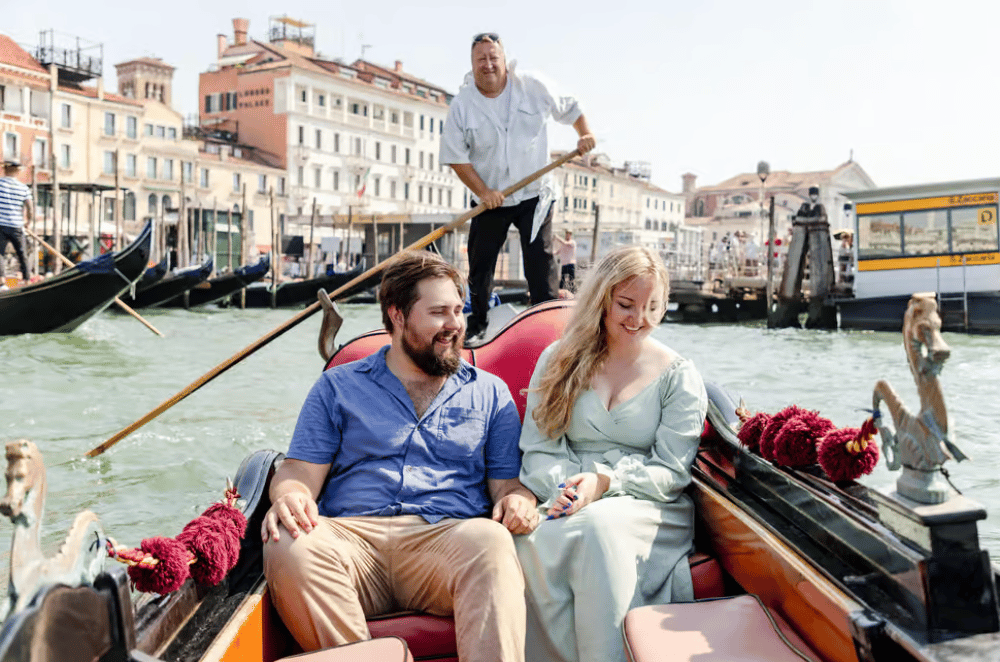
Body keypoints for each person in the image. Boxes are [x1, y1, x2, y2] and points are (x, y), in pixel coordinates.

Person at [261, 250, 538, 661]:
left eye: (459, 311)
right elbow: (299, 471)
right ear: (397, 315)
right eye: (439, 312)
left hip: (445, 541)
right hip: (353, 540)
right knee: (288, 543)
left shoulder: (490, 392)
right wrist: (289, 495)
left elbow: (506, 484)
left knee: (492, 542)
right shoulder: (337, 387)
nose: (455, 325)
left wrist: (519, 499)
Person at [514, 245, 708, 662]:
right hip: (563, 494)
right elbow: (538, 450)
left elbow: (671, 473)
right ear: (602, 299)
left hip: (648, 503)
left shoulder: (680, 375)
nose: (640, 320)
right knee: (526, 542)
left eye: (653, 306)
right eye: (626, 305)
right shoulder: (558, 360)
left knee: (600, 529)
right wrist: (568, 490)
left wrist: (604, 483)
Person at [441, 33, 596, 341]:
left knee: (539, 263)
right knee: (481, 263)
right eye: (480, 59)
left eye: (493, 57)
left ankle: (548, 331)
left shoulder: (533, 86)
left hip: (535, 193)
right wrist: (485, 192)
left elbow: (571, 108)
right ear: (472, 66)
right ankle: (477, 325)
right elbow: (456, 158)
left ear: (504, 60)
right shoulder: (462, 105)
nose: (488, 65)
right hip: (491, 198)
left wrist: (585, 134)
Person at [0, 161, 34, 287]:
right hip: (16, 225)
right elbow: (30, 207)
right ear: (18, 172)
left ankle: (1, 280)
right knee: (22, 253)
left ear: (5, 170)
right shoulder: (23, 188)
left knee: (0, 253)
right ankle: (27, 280)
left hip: (0, 224)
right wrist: (28, 222)